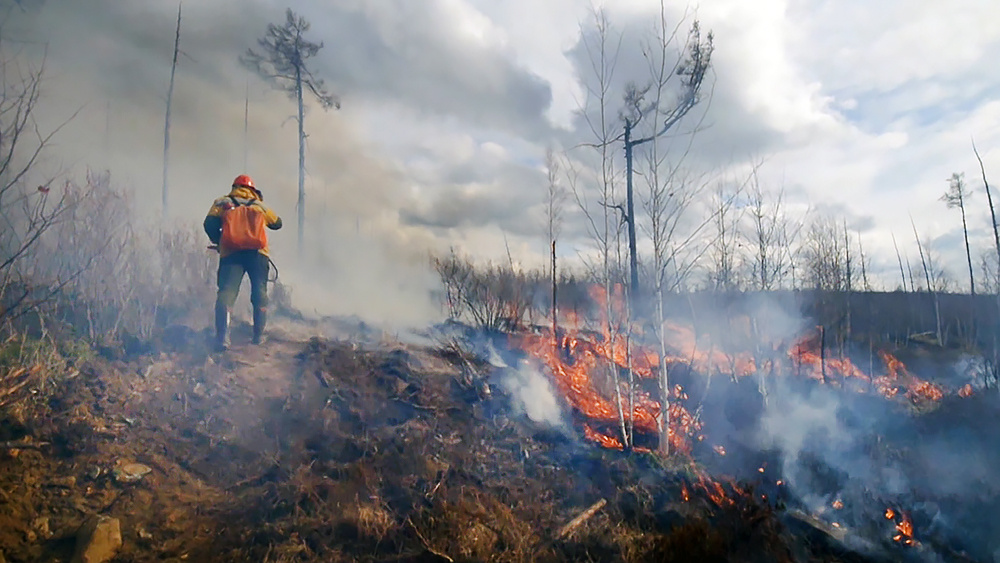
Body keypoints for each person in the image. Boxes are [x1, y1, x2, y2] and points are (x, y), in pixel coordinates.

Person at [203, 174, 282, 351]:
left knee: (227, 293)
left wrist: (220, 241)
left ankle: (223, 338)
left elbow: (208, 224)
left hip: (231, 253)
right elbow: (277, 223)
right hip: (258, 254)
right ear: (252, 189)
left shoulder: (222, 202)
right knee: (259, 292)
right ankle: (258, 336)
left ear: (234, 187)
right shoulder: (259, 205)